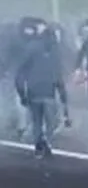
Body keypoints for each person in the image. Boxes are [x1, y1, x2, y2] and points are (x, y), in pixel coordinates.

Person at [15, 28, 69, 158]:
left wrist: (22, 92)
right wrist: (62, 95)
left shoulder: (32, 48)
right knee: (50, 121)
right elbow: (58, 75)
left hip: (34, 91)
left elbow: (21, 71)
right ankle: (46, 142)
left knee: (37, 121)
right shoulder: (54, 51)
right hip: (48, 91)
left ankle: (39, 145)